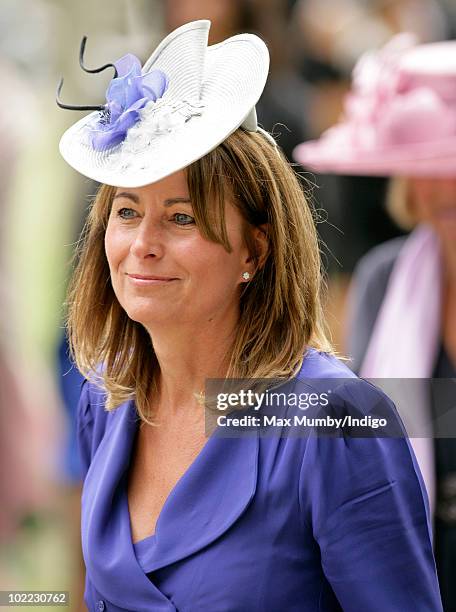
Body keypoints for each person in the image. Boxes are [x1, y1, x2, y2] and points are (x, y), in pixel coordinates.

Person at [58, 21, 442, 610]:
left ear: (254, 251)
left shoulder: (335, 420)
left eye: (181, 218)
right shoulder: (105, 397)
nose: (144, 244)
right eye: (128, 212)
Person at [294, 34, 456, 610]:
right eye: (431, 166)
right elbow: (361, 427)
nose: (445, 187)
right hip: (420, 563)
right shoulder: (387, 278)